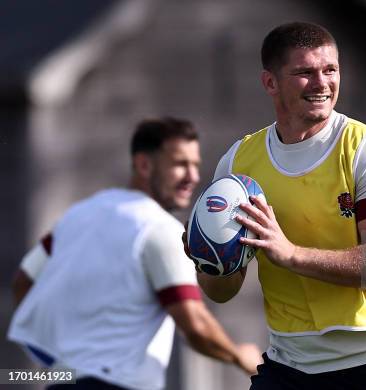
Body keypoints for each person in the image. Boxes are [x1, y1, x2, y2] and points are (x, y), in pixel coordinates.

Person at [188, 22, 366, 389]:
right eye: (305, 73)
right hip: (290, 365)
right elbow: (222, 292)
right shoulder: (237, 165)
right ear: (270, 83)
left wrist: (291, 254)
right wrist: (208, 260)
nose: (322, 84)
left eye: (330, 70)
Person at [8, 117, 262, 390]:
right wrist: (239, 355)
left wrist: (63, 354)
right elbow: (195, 325)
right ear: (143, 165)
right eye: (180, 164)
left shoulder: (76, 215)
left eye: (195, 165)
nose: (193, 177)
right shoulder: (160, 228)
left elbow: (23, 283)